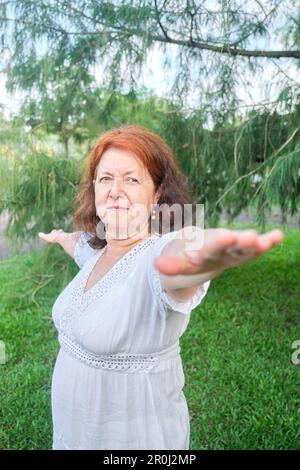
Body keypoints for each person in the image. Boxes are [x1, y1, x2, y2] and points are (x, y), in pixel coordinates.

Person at [39, 125, 284, 450]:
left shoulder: (156, 257)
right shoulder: (96, 254)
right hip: (72, 435)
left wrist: (201, 254)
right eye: (105, 178)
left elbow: (177, 258)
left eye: (131, 179)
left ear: (157, 195)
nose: (115, 190)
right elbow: (79, 244)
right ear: (94, 188)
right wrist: (61, 238)